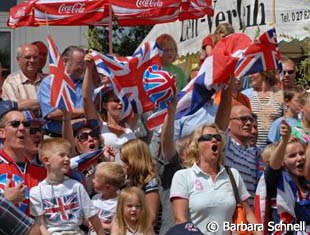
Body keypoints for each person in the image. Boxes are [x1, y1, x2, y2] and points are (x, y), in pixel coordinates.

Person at [170, 124, 260, 235]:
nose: (214, 140)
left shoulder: (233, 174)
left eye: (217, 138)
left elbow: (248, 214)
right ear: (196, 145)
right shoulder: (183, 176)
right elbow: (180, 220)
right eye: (207, 137)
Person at [29, 138, 105, 235]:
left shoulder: (76, 186)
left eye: (68, 155)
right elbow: (40, 224)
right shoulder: (36, 192)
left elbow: (93, 217)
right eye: (62, 155)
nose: (67, 159)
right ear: (46, 160)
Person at [255, 120, 310, 232]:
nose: (300, 158)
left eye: (301, 153)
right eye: (292, 156)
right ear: (283, 161)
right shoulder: (277, 180)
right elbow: (273, 166)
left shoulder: (307, 183)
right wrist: (284, 140)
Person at [82, 54, 137, 162]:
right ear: (104, 105)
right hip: (109, 176)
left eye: (122, 100)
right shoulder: (99, 126)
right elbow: (86, 98)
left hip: (131, 176)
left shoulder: (129, 123)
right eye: (115, 101)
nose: (120, 104)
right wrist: (89, 68)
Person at [0, 101, 46, 214]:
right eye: (15, 124)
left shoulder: (42, 171)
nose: (22, 128)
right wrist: (5, 201)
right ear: (2, 133)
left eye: (26, 124)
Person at [38, 45, 86, 137]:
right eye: (80, 63)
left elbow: (93, 113)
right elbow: (52, 114)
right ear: (65, 61)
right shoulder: (49, 83)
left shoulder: (85, 84)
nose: (83, 68)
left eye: (84, 64)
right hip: (55, 138)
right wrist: (83, 112)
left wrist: (69, 115)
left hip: (81, 139)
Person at [120, 139, 161, 234]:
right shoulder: (128, 182)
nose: (123, 165)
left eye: (125, 161)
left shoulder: (150, 184)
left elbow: (151, 218)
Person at [224, 105, 261, 205]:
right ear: (228, 123)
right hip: (232, 214)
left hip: (252, 215)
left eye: (250, 119)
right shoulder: (226, 146)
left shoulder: (256, 153)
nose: (249, 123)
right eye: (243, 119)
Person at [242, 71, 284, 148]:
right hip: (249, 151)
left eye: (253, 72)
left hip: (273, 150)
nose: (249, 76)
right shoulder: (245, 95)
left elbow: (287, 121)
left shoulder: (280, 95)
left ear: (265, 73)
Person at [1, 44, 45, 113]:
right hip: (25, 123)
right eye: (28, 57)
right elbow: (14, 106)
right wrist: (47, 102)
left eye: (35, 57)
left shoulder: (48, 80)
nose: (32, 60)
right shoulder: (11, 82)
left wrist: (27, 103)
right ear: (18, 60)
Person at [89, 162, 126, 235]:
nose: (93, 181)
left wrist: (101, 226)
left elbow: (121, 227)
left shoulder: (119, 204)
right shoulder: (95, 198)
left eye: (96, 179)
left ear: (108, 187)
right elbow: (87, 218)